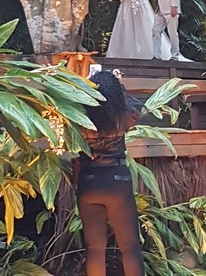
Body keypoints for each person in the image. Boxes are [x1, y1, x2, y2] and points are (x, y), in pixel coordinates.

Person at [76, 70, 145, 276]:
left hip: (89, 182)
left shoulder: (81, 119)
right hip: (117, 182)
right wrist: (120, 86)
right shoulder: (123, 118)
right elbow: (136, 109)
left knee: (94, 249)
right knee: (130, 247)